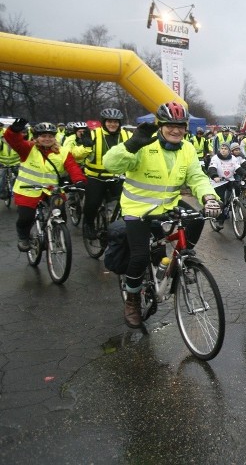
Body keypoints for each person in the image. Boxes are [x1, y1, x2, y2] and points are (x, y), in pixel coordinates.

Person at [103, 102, 220, 328]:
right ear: (161, 126)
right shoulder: (144, 144)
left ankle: (182, 258)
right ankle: (133, 299)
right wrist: (130, 145)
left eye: (181, 126)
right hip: (138, 209)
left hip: (167, 205)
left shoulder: (186, 148)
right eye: (170, 125)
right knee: (139, 257)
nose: (176, 130)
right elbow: (110, 164)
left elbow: (196, 177)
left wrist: (209, 197)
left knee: (196, 219)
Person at [3, 120, 86, 252]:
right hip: (28, 190)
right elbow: (13, 141)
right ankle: (23, 237)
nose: (47, 139)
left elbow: (72, 167)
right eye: (43, 136)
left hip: (51, 190)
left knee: (60, 213)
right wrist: (13, 131)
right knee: (26, 217)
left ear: (55, 137)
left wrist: (79, 180)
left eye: (50, 136)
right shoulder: (28, 148)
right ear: (36, 138)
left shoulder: (62, 152)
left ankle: (54, 236)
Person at [80, 108, 131, 239]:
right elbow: (76, 155)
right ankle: (88, 225)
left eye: (116, 122)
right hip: (96, 177)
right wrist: (85, 147)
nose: (112, 124)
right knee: (93, 202)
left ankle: (122, 225)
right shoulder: (93, 134)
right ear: (104, 122)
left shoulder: (126, 135)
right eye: (109, 122)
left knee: (127, 202)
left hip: (118, 176)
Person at [0, 124, 22, 200]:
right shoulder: (1, 142)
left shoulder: (17, 142)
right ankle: (2, 193)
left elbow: (21, 152)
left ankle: (19, 192)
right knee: (2, 177)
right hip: (3, 164)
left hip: (15, 163)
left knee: (20, 177)